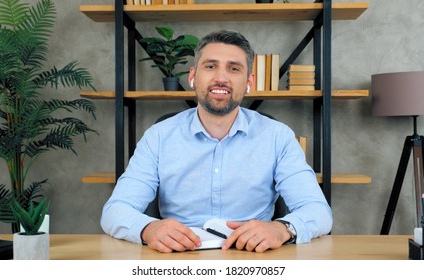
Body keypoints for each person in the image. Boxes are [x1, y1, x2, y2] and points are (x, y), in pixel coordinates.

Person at [101, 30, 332, 253]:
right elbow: (115, 211)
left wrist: (282, 229)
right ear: (193, 76)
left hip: (254, 257)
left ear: (249, 81)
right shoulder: (158, 137)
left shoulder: (278, 137)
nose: (221, 78)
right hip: (178, 258)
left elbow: (318, 211)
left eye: (234, 69)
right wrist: (148, 229)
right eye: (210, 66)